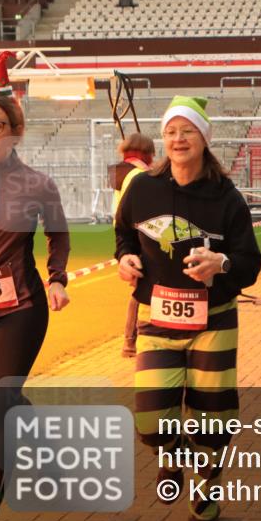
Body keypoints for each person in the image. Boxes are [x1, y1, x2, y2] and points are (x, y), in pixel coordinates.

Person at [115, 96, 261, 521]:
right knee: (150, 422)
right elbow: (123, 233)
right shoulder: (142, 187)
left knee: (213, 419)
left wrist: (222, 265)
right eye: (171, 132)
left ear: (204, 138)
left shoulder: (226, 197)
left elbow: (250, 263)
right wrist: (124, 259)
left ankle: (207, 496)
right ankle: (175, 456)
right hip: (157, 319)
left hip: (213, 320)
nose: (178, 139)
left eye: (188, 131)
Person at [0, 51, 71, 521]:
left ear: (15, 129)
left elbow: (58, 234)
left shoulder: (37, 184)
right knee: (5, 406)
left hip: (19, 310)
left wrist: (56, 278)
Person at [109, 132, 155, 358]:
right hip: (139, 234)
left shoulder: (120, 171)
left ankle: (130, 341)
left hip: (125, 233)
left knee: (138, 288)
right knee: (140, 290)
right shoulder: (140, 174)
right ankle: (130, 341)